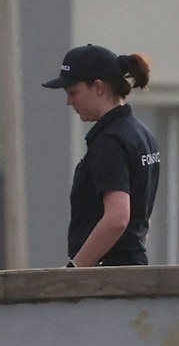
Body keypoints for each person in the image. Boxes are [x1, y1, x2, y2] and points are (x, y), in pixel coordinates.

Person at [43, 44, 162, 268]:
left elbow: (117, 219)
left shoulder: (110, 142)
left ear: (98, 86)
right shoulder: (141, 134)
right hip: (134, 268)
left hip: (108, 276)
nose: (69, 102)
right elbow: (141, 218)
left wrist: (75, 271)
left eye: (72, 92)